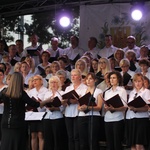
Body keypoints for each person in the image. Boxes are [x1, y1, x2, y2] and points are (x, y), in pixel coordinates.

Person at [0, 72, 50, 150]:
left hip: (6, 122)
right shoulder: (21, 93)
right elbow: (35, 104)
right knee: (17, 144)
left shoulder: (4, 92)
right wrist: (47, 101)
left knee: (6, 143)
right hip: (18, 122)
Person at [78, 72, 103, 150]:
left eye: (90, 79)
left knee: (93, 139)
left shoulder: (98, 91)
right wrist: (81, 108)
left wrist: (88, 107)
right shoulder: (82, 91)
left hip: (93, 117)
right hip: (82, 116)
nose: (88, 81)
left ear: (95, 80)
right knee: (83, 140)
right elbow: (78, 106)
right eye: (87, 79)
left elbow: (99, 107)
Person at [64, 69, 87, 150]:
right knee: (70, 137)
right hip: (68, 113)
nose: (73, 77)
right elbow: (65, 100)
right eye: (72, 75)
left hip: (78, 113)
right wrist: (69, 101)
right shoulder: (68, 88)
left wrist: (77, 100)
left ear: (80, 77)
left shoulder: (84, 88)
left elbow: (84, 100)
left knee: (77, 136)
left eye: (75, 75)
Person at [125, 73, 150, 150]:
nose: (137, 83)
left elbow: (147, 107)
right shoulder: (132, 92)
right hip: (131, 118)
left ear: (142, 81)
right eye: (136, 81)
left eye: (139, 81)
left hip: (141, 119)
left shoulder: (146, 91)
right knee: (132, 145)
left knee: (139, 144)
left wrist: (136, 109)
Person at [104, 71, 127, 150]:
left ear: (118, 79)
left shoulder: (122, 90)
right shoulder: (107, 92)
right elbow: (105, 106)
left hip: (118, 119)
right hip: (107, 119)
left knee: (117, 143)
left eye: (114, 78)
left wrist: (114, 108)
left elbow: (124, 107)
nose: (112, 80)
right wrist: (106, 108)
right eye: (110, 78)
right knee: (109, 144)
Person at [43, 76, 68, 150]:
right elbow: (44, 105)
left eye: (55, 82)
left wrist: (56, 107)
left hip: (57, 117)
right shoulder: (47, 93)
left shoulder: (61, 93)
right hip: (47, 117)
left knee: (58, 138)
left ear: (58, 83)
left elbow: (63, 106)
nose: (53, 84)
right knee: (48, 138)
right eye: (51, 82)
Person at [27, 75, 48, 150]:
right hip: (33, 114)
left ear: (41, 81)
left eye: (36, 80)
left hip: (42, 114)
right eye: (33, 80)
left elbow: (47, 102)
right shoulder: (31, 92)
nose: (34, 81)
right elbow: (27, 103)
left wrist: (40, 102)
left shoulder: (46, 90)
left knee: (41, 134)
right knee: (33, 134)